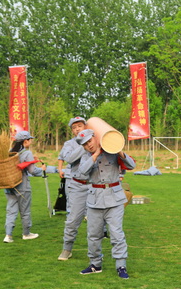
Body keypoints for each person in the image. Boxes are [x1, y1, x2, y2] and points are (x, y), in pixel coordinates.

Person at [76, 129, 136, 279]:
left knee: (117, 234)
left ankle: (121, 265)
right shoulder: (85, 157)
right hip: (95, 200)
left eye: (90, 141)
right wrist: (95, 155)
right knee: (94, 235)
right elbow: (82, 173)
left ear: (95, 138)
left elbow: (131, 165)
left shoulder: (113, 151)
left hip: (114, 199)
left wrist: (120, 151)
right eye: (85, 144)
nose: (88, 145)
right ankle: (95, 264)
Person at [3, 131, 47, 243]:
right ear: (25, 141)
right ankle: (26, 233)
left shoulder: (9, 153)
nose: (31, 141)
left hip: (9, 186)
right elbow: (33, 171)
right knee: (25, 211)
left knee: (11, 211)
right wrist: (42, 169)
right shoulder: (27, 153)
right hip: (22, 186)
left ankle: (8, 235)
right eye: (29, 139)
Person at [56, 116, 90, 261]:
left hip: (94, 184)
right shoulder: (69, 144)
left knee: (99, 219)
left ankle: (96, 253)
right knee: (73, 219)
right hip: (77, 185)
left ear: (85, 126)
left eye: (80, 126)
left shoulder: (94, 140)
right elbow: (68, 159)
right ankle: (67, 248)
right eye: (74, 127)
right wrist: (84, 146)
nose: (77, 129)